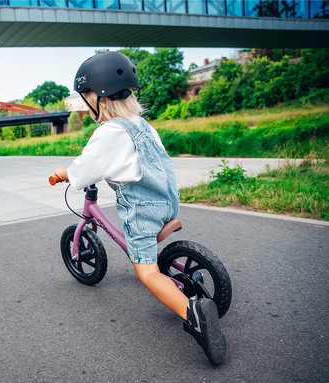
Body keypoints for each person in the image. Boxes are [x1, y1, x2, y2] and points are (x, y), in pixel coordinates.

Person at [54, 51, 226, 366]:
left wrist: (65, 173)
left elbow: (83, 170)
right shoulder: (141, 124)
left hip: (143, 211)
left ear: (96, 98)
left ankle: (195, 315)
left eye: (86, 98)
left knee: (146, 272)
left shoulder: (108, 132)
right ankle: (171, 270)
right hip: (167, 199)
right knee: (146, 245)